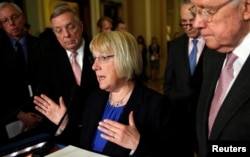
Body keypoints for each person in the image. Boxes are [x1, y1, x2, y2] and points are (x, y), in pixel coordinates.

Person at [33, 31, 170, 156]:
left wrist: (138, 144)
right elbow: (82, 148)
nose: (94, 66)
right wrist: (65, 125)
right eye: (94, 58)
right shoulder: (95, 98)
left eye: (103, 58)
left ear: (125, 58)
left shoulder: (157, 105)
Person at [190, 0, 250, 156]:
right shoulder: (212, 55)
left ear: (246, 8)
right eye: (195, 10)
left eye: (208, 11)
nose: (196, 23)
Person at [35, 3, 98, 146]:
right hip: (64, 137)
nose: (66, 35)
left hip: (99, 133)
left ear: (81, 26)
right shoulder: (48, 61)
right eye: (59, 30)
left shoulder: (99, 52)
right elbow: (47, 104)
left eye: (70, 27)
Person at [0, 2, 50, 145]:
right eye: (5, 21)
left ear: (22, 18)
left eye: (14, 17)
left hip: (43, 116)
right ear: (1, 26)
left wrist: (42, 113)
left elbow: (50, 82)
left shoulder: (45, 46)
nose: (11, 23)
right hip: (11, 120)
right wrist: (21, 115)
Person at [163, 0, 207, 156]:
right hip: (180, 116)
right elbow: (168, 81)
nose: (187, 27)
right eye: (183, 22)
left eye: (191, 22)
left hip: (205, 117)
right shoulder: (175, 45)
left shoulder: (213, 43)